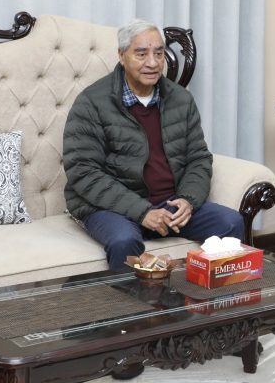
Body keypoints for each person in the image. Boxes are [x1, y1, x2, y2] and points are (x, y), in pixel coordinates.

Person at [63, 19, 244, 271]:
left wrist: (188, 200)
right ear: (121, 55)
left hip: (170, 203)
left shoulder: (181, 99)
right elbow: (83, 171)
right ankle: (132, 299)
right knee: (124, 241)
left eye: (159, 54)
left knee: (230, 222)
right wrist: (142, 211)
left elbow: (198, 158)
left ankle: (215, 295)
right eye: (141, 54)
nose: (152, 62)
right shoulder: (91, 102)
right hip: (114, 208)